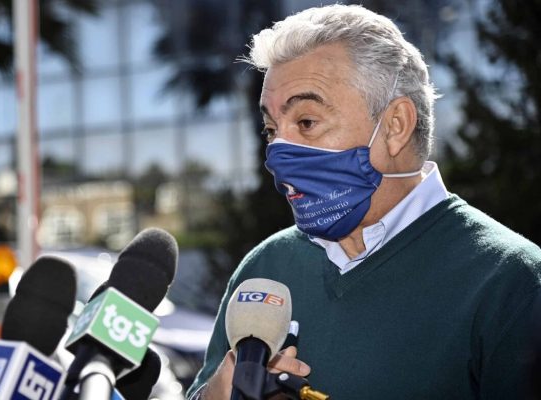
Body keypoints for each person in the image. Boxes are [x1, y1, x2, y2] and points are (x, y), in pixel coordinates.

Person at [187, 4, 541, 399]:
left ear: (395, 126)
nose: (278, 155)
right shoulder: (265, 270)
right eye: (272, 129)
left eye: (306, 122)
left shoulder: (512, 283)